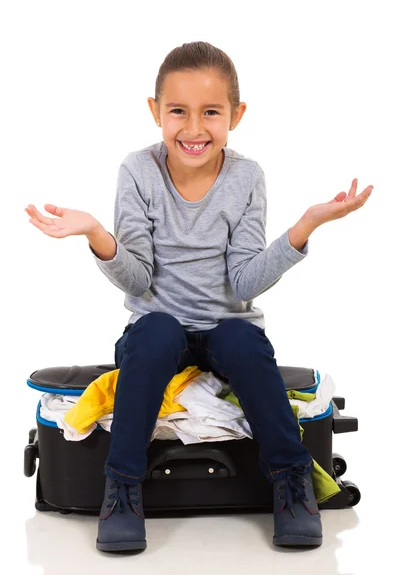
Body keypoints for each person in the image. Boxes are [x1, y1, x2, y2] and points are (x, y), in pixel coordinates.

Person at [25, 41, 373, 553]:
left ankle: (291, 479)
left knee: (242, 337)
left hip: (226, 332)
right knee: (159, 327)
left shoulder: (246, 177)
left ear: (236, 114)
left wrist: (304, 226)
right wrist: (98, 234)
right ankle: (121, 486)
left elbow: (246, 282)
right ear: (155, 112)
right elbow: (138, 279)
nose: (193, 128)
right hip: (154, 334)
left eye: (211, 112)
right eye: (178, 112)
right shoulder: (138, 171)